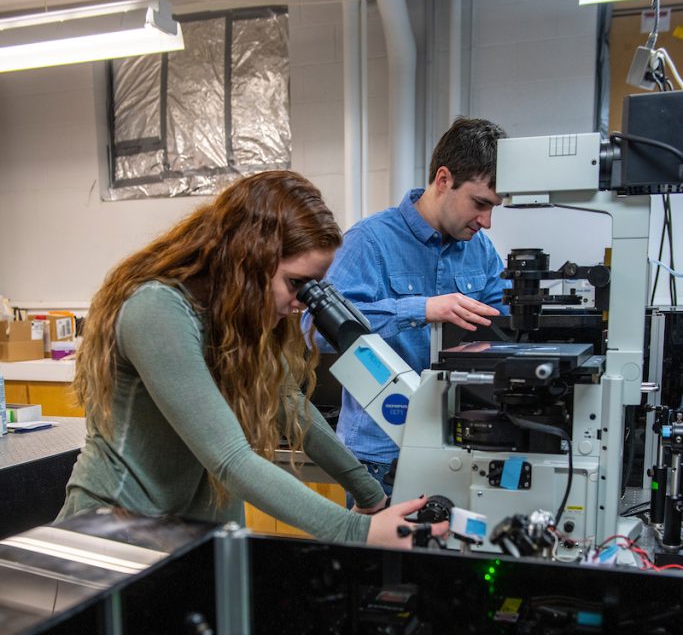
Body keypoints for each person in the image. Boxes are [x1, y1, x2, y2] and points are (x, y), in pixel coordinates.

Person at [56, 170, 447, 548]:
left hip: (188, 530)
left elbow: (291, 408)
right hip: (117, 528)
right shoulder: (157, 309)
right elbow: (229, 458)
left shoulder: (235, 321)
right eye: (296, 284)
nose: (301, 303)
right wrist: (353, 531)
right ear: (249, 261)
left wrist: (371, 495)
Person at [315, 116, 510, 497]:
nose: (486, 221)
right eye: (479, 204)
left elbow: (504, 325)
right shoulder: (369, 242)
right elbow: (316, 332)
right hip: (380, 459)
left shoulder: (480, 251)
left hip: (455, 449)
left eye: (494, 208)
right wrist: (418, 310)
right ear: (443, 180)